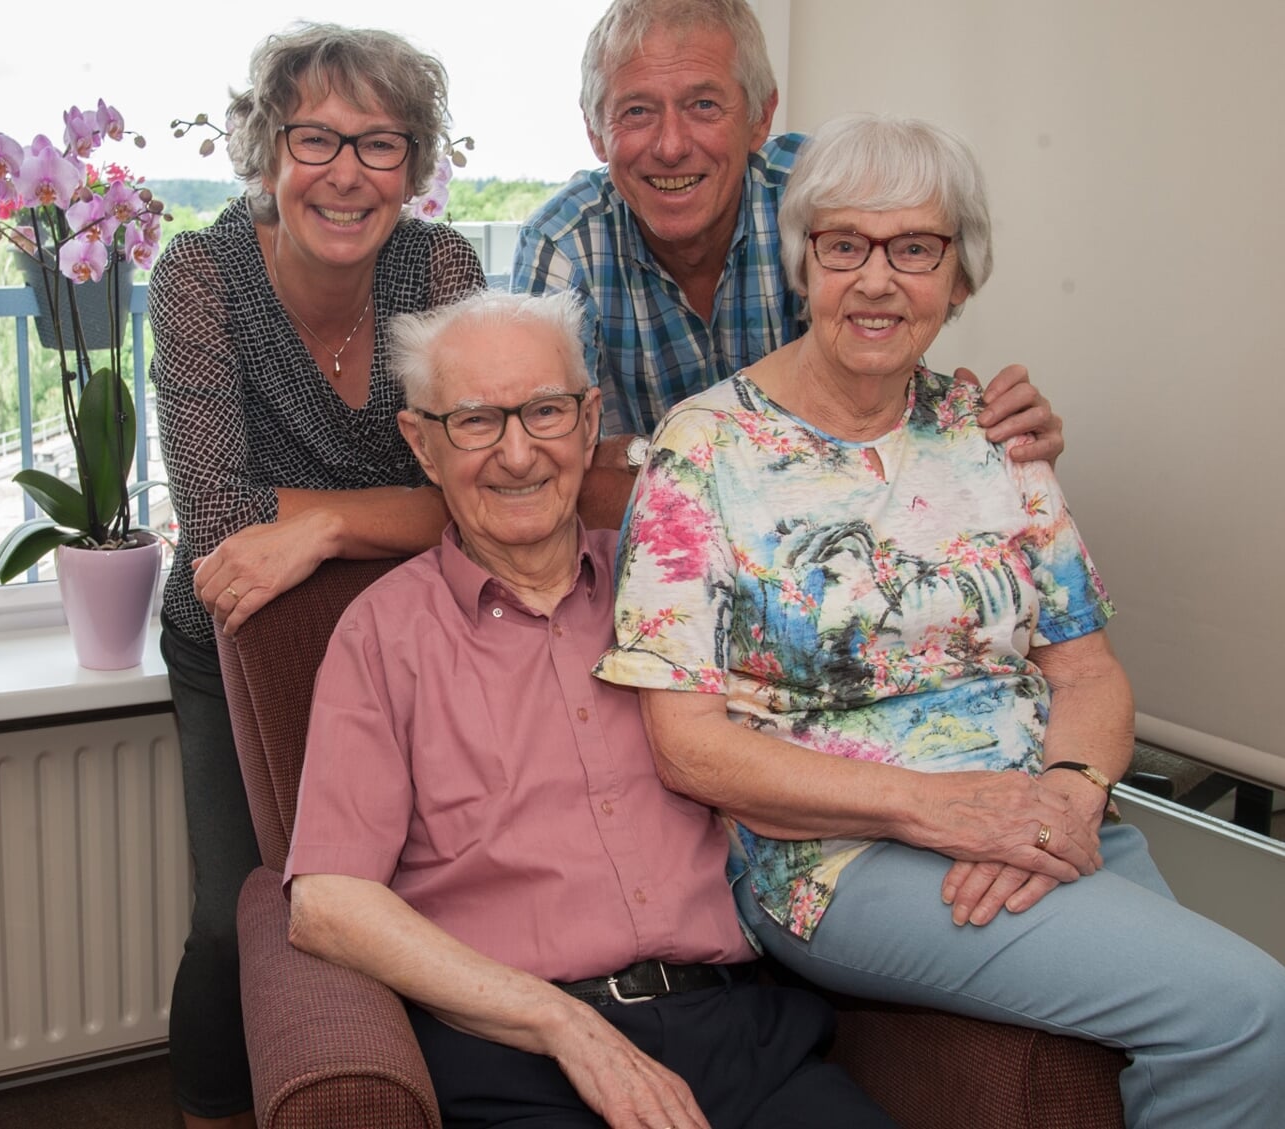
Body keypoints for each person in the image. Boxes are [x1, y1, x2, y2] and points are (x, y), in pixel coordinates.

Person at [595, 113, 1285, 1128]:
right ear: (802, 266)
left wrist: (1064, 792)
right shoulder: (700, 452)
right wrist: (931, 808)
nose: (877, 280)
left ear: (958, 278)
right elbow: (689, 749)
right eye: (843, 246)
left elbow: (1087, 672)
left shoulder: (990, 434)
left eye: (914, 248)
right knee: (1244, 1009)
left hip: (1035, 814)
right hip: (836, 859)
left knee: (1220, 1009)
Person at [286, 289, 896, 1129]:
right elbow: (327, 902)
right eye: (474, 421)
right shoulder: (382, 635)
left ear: (588, 421)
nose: (516, 453)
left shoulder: (680, 585)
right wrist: (560, 1024)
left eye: (544, 411)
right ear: (422, 446)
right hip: (511, 1052)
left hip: (737, 1034)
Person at [148, 23, 485, 1127]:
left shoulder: (441, 271)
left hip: (403, 636)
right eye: (315, 140)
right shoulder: (198, 274)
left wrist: (319, 527)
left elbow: (477, 492)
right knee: (234, 911)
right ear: (265, 151)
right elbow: (212, 515)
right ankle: (209, 1108)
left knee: (414, 895)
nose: (346, 174)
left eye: (380, 145)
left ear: (413, 164)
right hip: (238, 638)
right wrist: (381, 513)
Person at [510, 0, 1062, 524]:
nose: (672, 145)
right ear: (594, 130)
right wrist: (802, 481)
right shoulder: (563, 243)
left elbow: (883, 429)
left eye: (703, 105)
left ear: (760, 116)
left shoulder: (825, 197)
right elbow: (541, 483)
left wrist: (993, 449)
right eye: (636, 111)